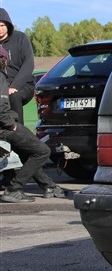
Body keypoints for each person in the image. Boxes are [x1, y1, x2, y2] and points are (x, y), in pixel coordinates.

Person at [0, 46, 67, 202]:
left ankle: (49, 186)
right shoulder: (0, 77)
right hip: (5, 126)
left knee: (27, 152)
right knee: (42, 151)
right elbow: (1, 107)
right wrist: (10, 124)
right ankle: (14, 189)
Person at [0, 8, 36, 125]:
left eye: (2, 25)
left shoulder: (20, 38)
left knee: (13, 96)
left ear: (7, 25)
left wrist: (15, 86)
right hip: (2, 87)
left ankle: (18, 130)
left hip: (23, 85)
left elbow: (29, 63)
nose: (0, 29)